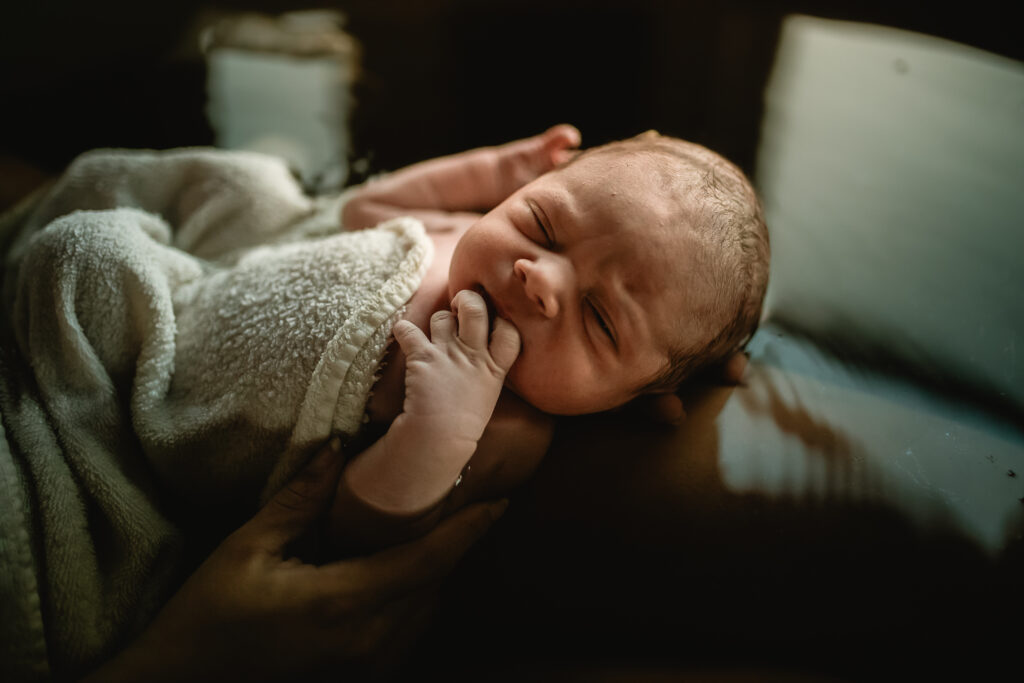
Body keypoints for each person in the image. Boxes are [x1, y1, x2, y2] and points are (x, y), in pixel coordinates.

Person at [0, 125, 766, 678]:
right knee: (90, 247)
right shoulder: (471, 235)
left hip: (161, 429)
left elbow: (352, 527)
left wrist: (436, 432)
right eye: (542, 221)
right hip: (179, 305)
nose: (540, 274)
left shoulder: (504, 422)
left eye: (601, 320)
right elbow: (365, 212)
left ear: (641, 393)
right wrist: (490, 168)